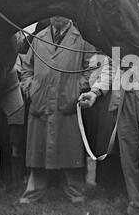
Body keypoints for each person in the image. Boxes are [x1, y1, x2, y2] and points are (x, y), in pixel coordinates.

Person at [79, 0, 139, 215]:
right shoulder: (119, 34)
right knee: (129, 154)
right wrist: (94, 92)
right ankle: (137, 204)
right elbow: (110, 68)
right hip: (125, 99)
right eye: (137, 1)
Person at [19, 16, 96, 204]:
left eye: (62, 12)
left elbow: (93, 68)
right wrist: (30, 87)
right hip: (41, 99)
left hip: (67, 100)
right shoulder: (39, 37)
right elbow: (27, 68)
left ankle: (74, 190)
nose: (57, 16)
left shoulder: (83, 39)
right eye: (54, 12)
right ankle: (34, 191)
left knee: (70, 148)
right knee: (38, 146)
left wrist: (77, 88)